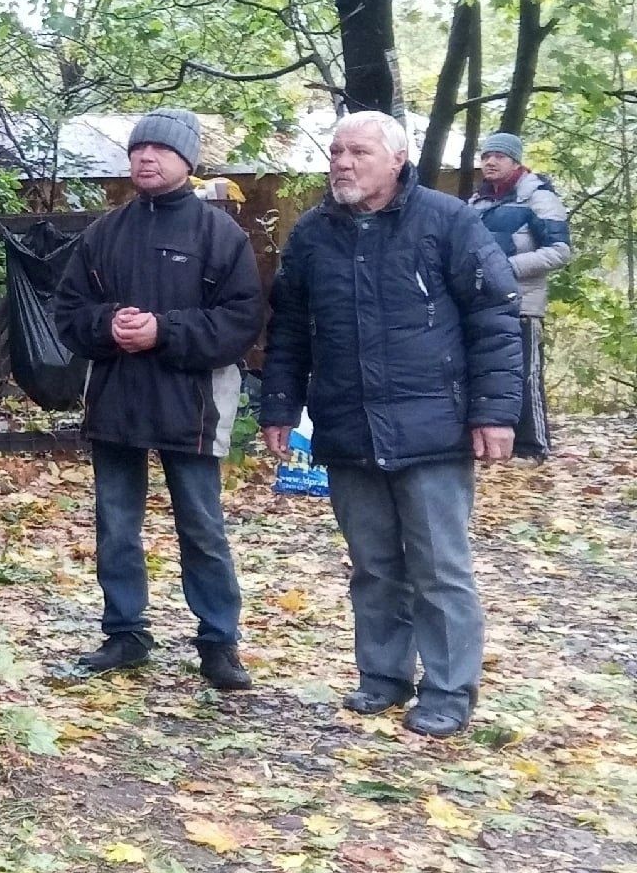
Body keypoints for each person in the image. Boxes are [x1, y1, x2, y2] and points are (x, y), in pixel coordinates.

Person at [260, 112, 523, 738]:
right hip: (348, 425)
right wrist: (277, 405)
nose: (343, 164)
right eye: (336, 152)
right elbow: (290, 329)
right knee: (374, 565)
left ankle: (449, 690)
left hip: (433, 426)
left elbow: (494, 318)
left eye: (359, 152)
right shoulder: (312, 233)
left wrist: (494, 413)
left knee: (439, 567)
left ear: (397, 159)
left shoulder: (448, 221)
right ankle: (382, 677)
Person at [50, 108, 265, 693]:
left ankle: (219, 642)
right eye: (139, 149)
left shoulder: (220, 235)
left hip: (192, 407)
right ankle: (125, 632)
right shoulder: (103, 233)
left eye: (161, 150)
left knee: (202, 527)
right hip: (117, 402)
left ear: (187, 162)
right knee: (116, 526)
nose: (146, 158)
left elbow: (242, 320)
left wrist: (163, 332)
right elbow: (68, 313)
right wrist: (107, 326)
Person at [469, 132, 571, 460]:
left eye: (499, 156)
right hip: (483, 304)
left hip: (523, 302)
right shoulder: (477, 203)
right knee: (486, 374)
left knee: (525, 373)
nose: (490, 162)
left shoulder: (538, 197)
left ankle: (534, 446)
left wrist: (504, 267)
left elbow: (559, 251)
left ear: (515, 161)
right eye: (486, 156)